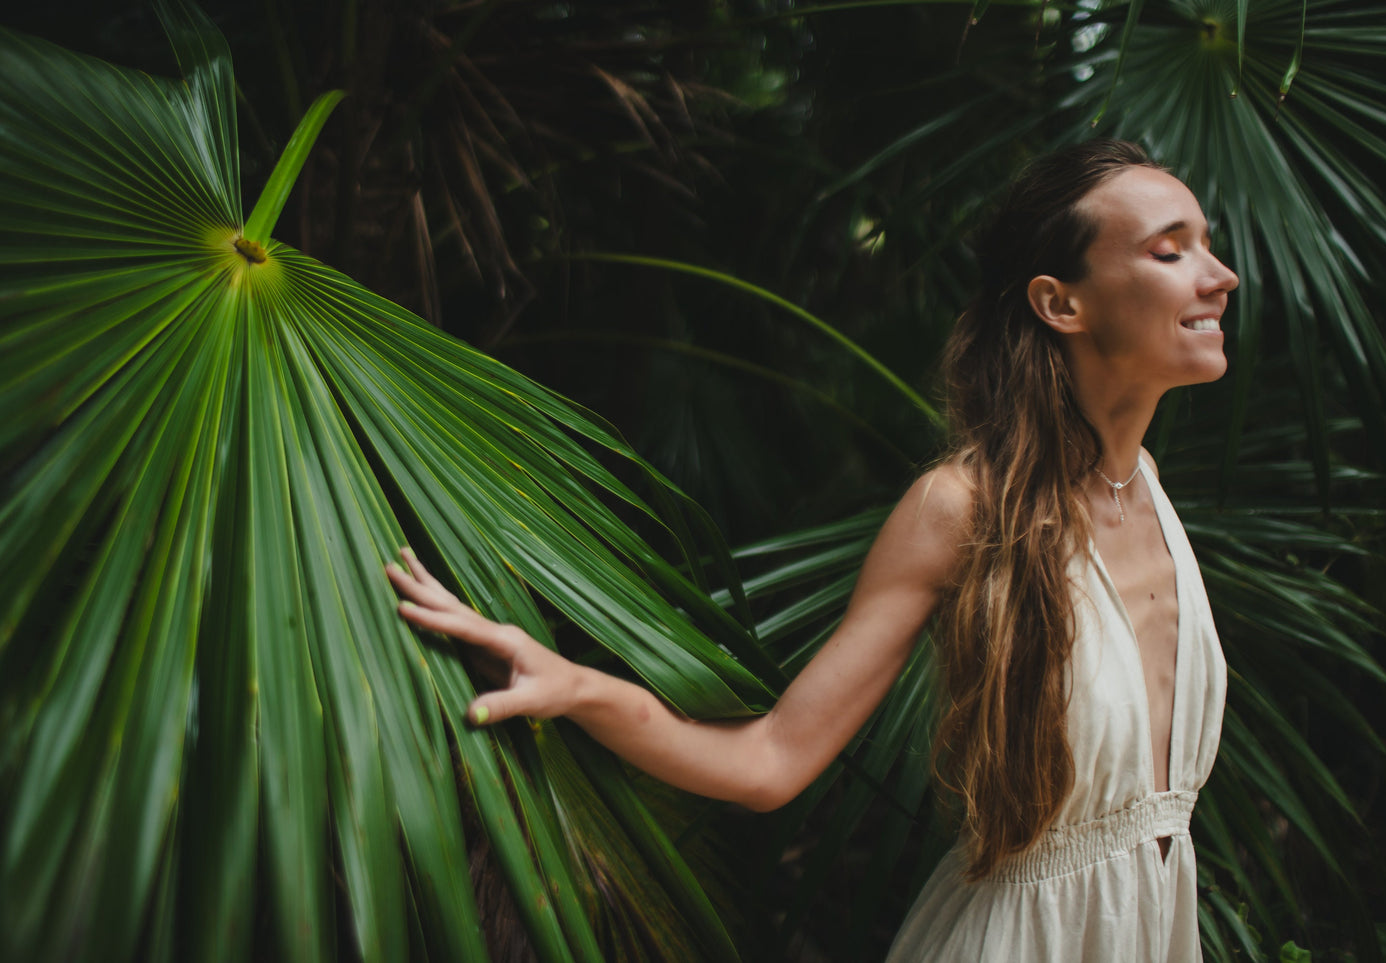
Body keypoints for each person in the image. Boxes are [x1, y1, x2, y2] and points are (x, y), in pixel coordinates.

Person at [386, 138, 1238, 961]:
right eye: (1171, 252)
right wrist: (573, 686)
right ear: (1060, 303)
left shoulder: (1145, 485)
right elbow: (769, 761)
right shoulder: (958, 508)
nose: (1219, 275)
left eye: (1207, 245)